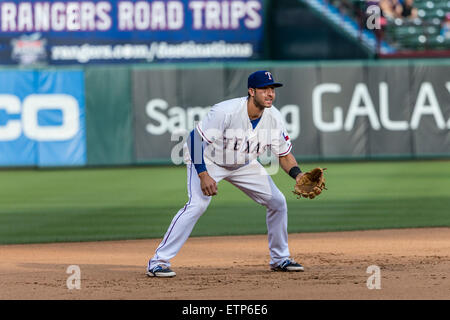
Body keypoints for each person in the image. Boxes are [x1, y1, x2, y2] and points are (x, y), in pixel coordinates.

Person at [146, 71, 311, 277]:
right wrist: (203, 174)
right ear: (251, 91)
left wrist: (298, 175)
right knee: (197, 205)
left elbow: (284, 155)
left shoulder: (274, 118)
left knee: (278, 202)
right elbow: (194, 140)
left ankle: (280, 259)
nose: (270, 94)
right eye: (264, 90)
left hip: (244, 164)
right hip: (209, 161)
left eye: (272, 90)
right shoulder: (226, 111)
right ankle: (158, 261)